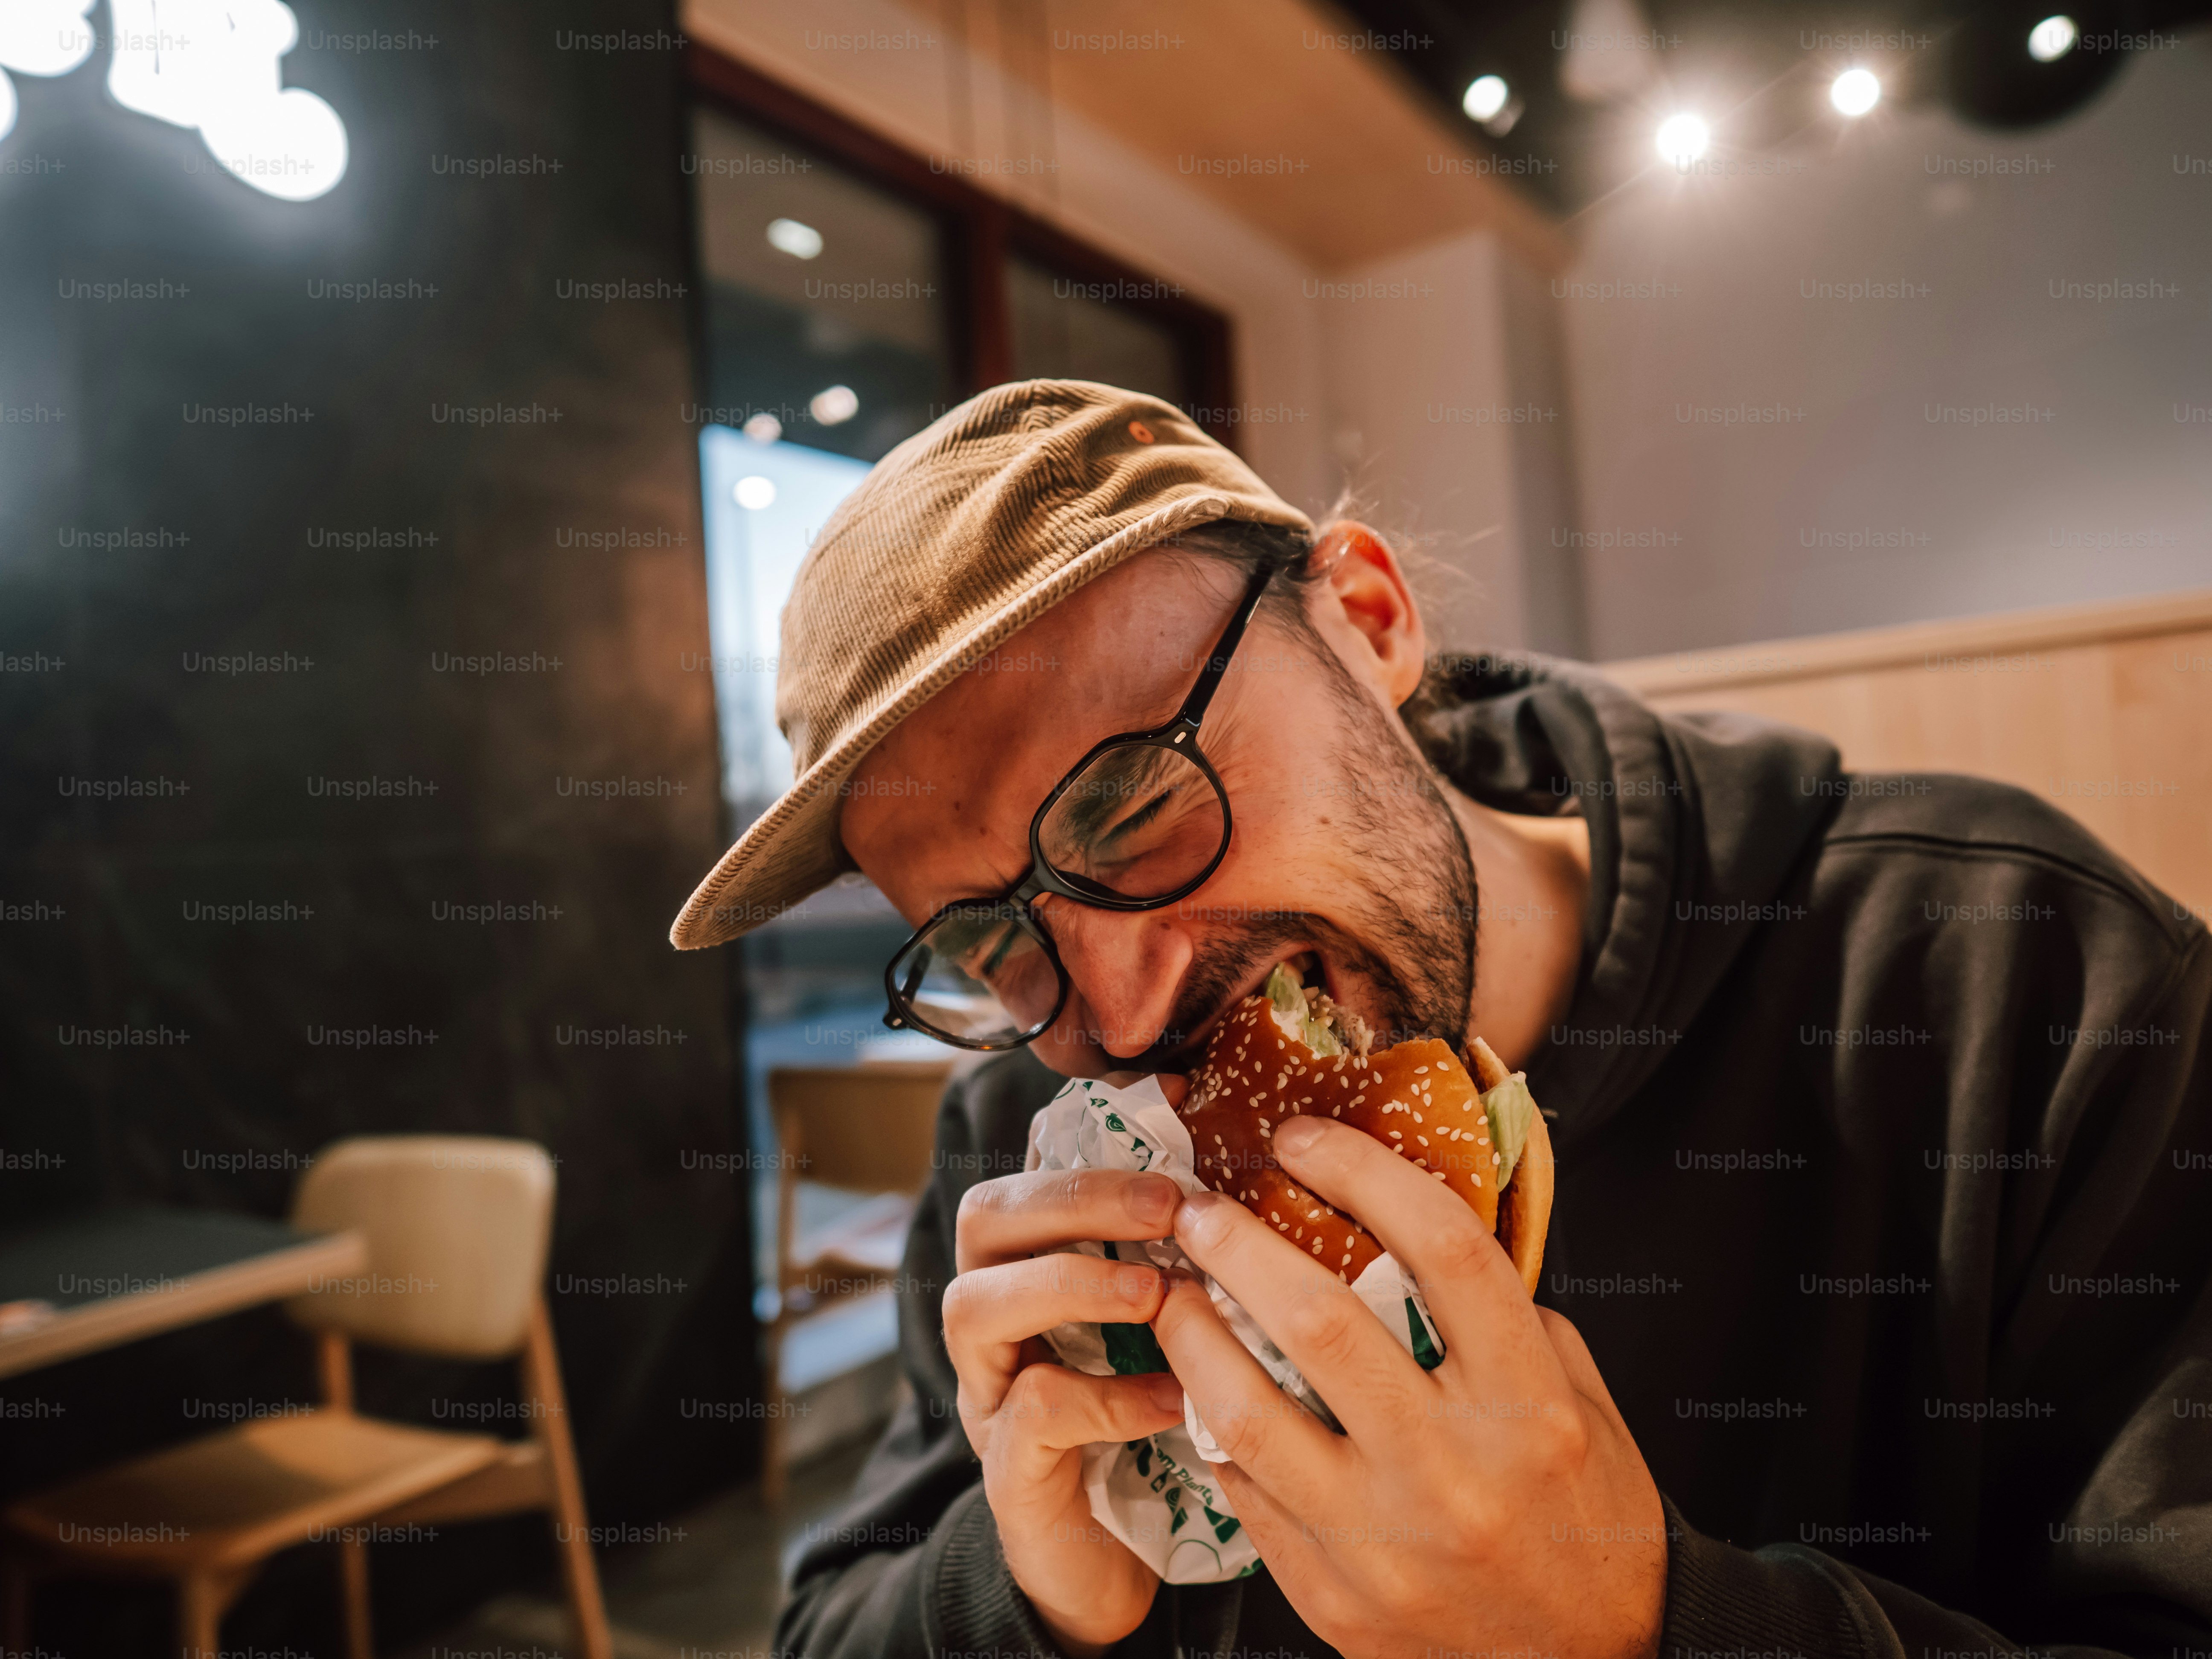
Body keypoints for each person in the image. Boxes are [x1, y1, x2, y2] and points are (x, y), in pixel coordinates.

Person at [670, 380, 2212, 1659]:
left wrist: (1647, 1626)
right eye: (991, 936)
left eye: (1133, 807)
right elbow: (829, 1627)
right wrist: (1022, 1596)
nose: (1122, 1011)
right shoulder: (1028, 1135)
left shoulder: (2020, 986)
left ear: (1366, 620)